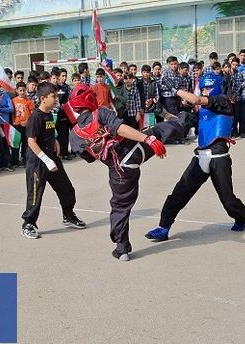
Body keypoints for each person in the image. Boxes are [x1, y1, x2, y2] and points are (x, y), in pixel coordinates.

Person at [64, 83, 169, 261]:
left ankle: (122, 249)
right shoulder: (101, 113)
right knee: (161, 130)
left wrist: (98, 143)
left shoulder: (75, 134)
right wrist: (148, 139)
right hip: (136, 151)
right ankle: (186, 119)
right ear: (90, 99)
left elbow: (88, 158)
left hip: (119, 171)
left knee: (120, 207)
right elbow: (121, 129)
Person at [145, 74, 245, 242]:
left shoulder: (223, 101)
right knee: (179, 193)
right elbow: (179, 121)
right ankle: (163, 227)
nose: (204, 91)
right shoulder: (201, 110)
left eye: (207, 88)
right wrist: (160, 111)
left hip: (219, 157)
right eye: (202, 88)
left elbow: (196, 100)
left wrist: (175, 90)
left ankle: (242, 216)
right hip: (200, 156)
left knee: (227, 199)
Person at [21, 82, 86, 239]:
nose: (56, 99)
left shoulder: (50, 114)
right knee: (35, 194)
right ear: (43, 98)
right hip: (38, 162)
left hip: (52, 158)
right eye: (53, 96)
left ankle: (68, 216)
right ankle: (28, 224)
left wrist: (55, 141)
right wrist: (45, 160)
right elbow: (31, 141)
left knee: (67, 189)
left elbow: (50, 131)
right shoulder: (36, 117)